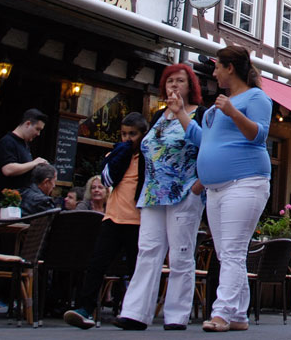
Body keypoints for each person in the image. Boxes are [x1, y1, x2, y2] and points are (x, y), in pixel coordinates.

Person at [168, 46, 271, 332]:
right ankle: (238, 314)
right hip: (215, 189)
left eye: (216, 67)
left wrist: (233, 111)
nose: (213, 72)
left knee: (234, 250)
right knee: (226, 253)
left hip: (246, 181)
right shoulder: (217, 105)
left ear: (230, 68)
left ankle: (222, 313)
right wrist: (179, 114)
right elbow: (202, 139)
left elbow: (258, 135)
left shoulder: (257, 97)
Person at [113, 64, 207, 331]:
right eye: (169, 82)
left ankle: (176, 314)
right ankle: (135, 312)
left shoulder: (199, 114)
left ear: (191, 87)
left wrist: (197, 188)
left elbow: (206, 148)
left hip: (183, 192)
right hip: (154, 193)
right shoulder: (156, 117)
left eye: (180, 81)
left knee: (180, 254)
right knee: (148, 251)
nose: (174, 86)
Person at [64, 112, 148, 329]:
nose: (127, 139)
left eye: (133, 134)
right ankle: (85, 308)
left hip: (137, 220)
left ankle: (133, 312)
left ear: (142, 134)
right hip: (113, 217)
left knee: (135, 269)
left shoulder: (147, 157)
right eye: (123, 134)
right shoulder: (118, 155)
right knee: (96, 263)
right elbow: (107, 179)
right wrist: (119, 155)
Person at [0, 108, 50, 217]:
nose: (38, 134)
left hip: (19, 208)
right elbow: (7, 169)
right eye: (37, 129)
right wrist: (34, 163)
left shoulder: (25, 145)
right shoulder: (8, 142)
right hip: (5, 209)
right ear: (27, 124)